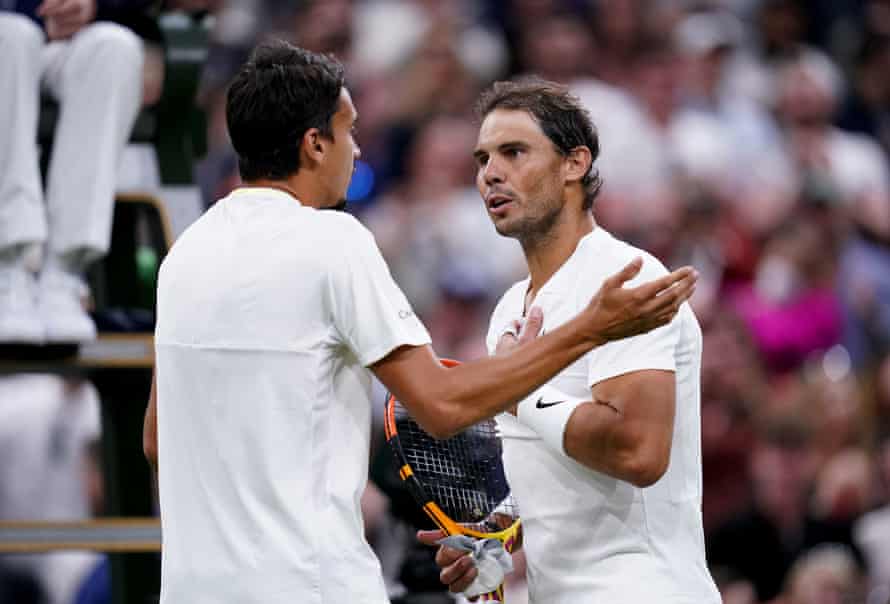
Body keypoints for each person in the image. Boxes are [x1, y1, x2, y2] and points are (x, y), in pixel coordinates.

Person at [141, 41, 697, 604]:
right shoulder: (335, 241)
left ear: (575, 163)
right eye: (348, 131)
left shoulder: (184, 255)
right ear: (314, 145)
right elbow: (444, 405)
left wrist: (493, 532)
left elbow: (158, 439)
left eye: (513, 153)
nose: (357, 151)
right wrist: (589, 331)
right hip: (310, 583)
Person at [418, 78, 720, 603]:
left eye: (514, 152)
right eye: (483, 158)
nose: (491, 173)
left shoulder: (625, 278)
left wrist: (519, 393)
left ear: (574, 164)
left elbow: (639, 452)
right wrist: (492, 537)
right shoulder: (509, 311)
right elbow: (552, 468)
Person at [0, 0, 145, 343]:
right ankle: (7, 267)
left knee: (115, 48)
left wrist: (97, 6)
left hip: (63, 42)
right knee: (11, 37)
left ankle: (63, 275)